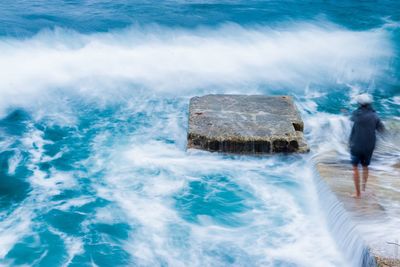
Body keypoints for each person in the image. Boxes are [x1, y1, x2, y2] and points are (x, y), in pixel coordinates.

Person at [349, 93, 384, 198]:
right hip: (369, 146)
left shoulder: (356, 114)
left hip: (356, 144)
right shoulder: (375, 116)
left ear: (359, 103)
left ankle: (357, 193)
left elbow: (352, 120)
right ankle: (364, 188)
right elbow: (381, 130)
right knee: (365, 166)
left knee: (355, 167)